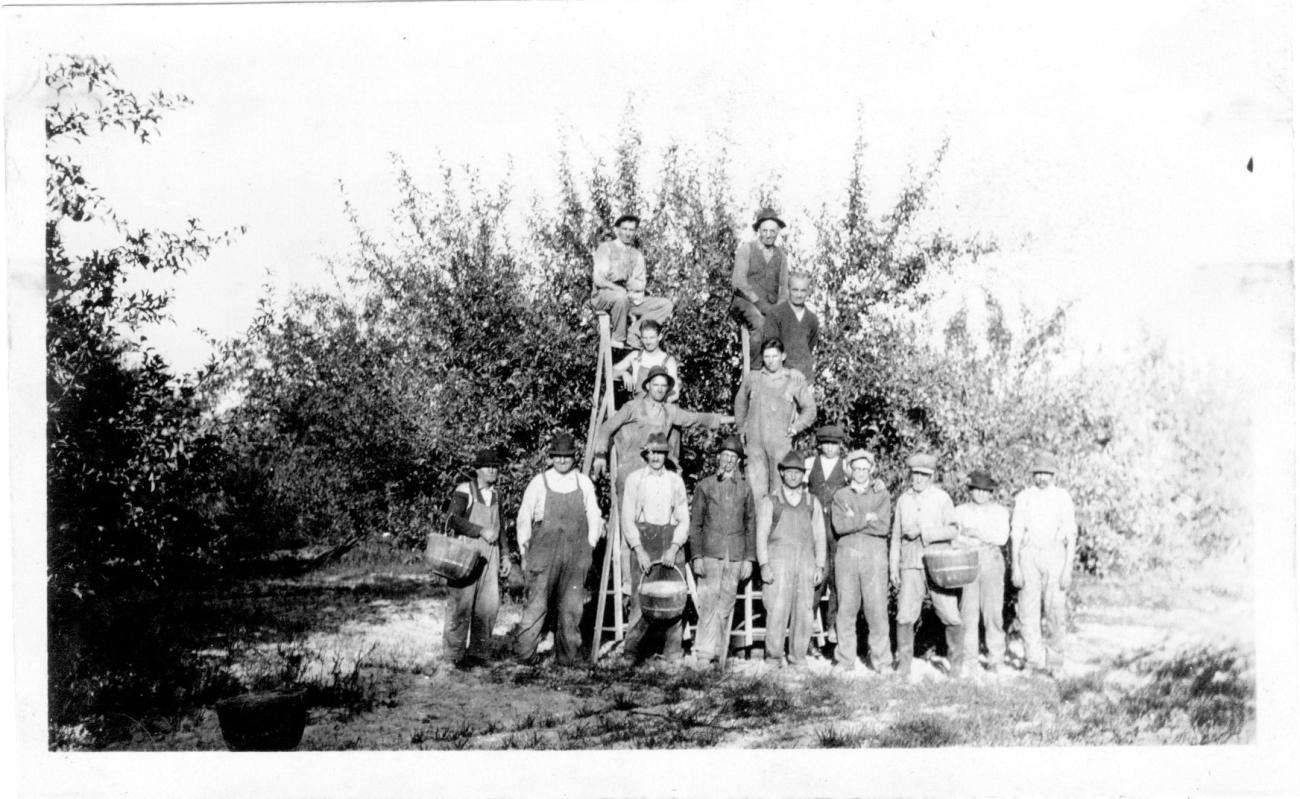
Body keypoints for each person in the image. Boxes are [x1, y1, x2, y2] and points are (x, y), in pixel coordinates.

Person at [513, 433, 603, 666]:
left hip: (575, 553)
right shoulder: (539, 482)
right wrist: (524, 551)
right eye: (558, 456)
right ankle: (525, 655)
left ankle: (567, 657)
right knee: (537, 603)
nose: (562, 461)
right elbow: (524, 518)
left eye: (567, 456)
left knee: (571, 607)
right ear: (551, 457)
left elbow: (594, 516)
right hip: (544, 552)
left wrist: (590, 546)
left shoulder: (583, 482)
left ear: (574, 457)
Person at [890, 453, 965, 679]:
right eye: (916, 474)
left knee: (950, 614)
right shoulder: (904, 500)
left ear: (932, 476)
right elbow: (895, 537)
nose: (919, 479)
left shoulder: (942, 498)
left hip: (938, 564)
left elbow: (953, 530)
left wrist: (925, 533)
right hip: (910, 565)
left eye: (924, 475)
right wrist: (894, 567)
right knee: (905, 615)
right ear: (910, 475)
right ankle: (903, 667)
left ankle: (957, 668)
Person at [619, 433, 691, 665]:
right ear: (645, 454)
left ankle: (672, 650)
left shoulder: (675, 481)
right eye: (652, 452)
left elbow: (683, 519)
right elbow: (627, 518)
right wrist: (638, 549)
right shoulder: (635, 479)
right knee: (641, 597)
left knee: (674, 594)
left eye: (661, 452)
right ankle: (632, 651)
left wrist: (674, 547)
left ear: (665, 455)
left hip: (669, 540)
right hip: (644, 541)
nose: (656, 457)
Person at [687, 434, 756, 667]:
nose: (728, 461)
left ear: (738, 462)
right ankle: (705, 653)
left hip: (735, 556)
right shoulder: (705, 486)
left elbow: (750, 525)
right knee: (708, 603)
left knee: (726, 603)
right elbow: (695, 525)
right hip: (710, 554)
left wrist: (749, 558)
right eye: (724, 456)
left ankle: (721, 653)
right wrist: (696, 556)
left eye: (733, 457)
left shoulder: (746, 490)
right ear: (718, 458)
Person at [442, 447, 513, 669]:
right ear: (477, 470)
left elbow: (500, 527)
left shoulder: (497, 495)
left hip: (490, 556)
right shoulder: (465, 490)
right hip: (466, 553)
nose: (492, 471)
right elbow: (452, 520)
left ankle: (479, 654)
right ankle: (454, 656)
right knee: (461, 604)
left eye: (495, 467)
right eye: (487, 467)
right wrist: (480, 530)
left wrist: (506, 555)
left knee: (488, 605)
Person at [755, 453, 827, 669]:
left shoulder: (811, 501)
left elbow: (820, 536)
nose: (793, 476)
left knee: (804, 611)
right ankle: (773, 657)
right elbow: (761, 535)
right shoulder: (771, 501)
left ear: (802, 475)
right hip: (778, 560)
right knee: (777, 609)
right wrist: (764, 564)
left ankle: (798, 657)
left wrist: (820, 565)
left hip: (805, 561)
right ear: (782, 473)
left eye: (798, 472)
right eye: (789, 472)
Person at [1010, 453, 1078, 676]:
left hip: (1054, 555)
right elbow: (1016, 533)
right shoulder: (1024, 497)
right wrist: (1016, 567)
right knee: (1028, 612)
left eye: (1046, 473)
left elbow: (1071, 535)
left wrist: (1067, 569)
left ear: (1054, 474)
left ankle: (1055, 663)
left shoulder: (1062, 497)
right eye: (1038, 473)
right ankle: (1033, 661)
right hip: (1029, 555)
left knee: (1055, 611)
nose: (1042, 478)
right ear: (1033, 474)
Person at [829, 450, 892, 673]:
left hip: (874, 555)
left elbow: (883, 526)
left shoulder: (881, 495)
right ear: (849, 470)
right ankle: (845, 659)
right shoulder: (841, 496)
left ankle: (882, 660)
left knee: (876, 609)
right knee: (846, 608)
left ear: (871, 470)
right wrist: (866, 518)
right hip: (847, 556)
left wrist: (853, 518)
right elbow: (839, 526)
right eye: (857, 469)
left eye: (865, 469)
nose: (861, 473)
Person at [733, 338, 816, 504]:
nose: (771, 361)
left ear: (783, 356)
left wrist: (796, 427)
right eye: (767, 356)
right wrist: (741, 429)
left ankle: (778, 529)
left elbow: (810, 409)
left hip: (780, 445)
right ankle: (757, 529)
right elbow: (740, 402)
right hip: (755, 445)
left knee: (779, 492)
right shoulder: (753, 378)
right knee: (755, 493)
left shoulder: (793, 379)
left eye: (775, 356)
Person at [955, 469, 1011, 674]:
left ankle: (996, 658)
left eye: (985, 491)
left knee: (993, 611)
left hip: (991, 560)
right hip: (968, 560)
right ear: (970, 490)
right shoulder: (960, 511)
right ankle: (970, 659)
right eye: (976, 490)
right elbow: (955, 537)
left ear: (991, 493)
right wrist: (967, 538)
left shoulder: (999, 512)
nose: (980, 494)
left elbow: (1001, 537)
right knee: (968, 612)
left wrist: (977, 533)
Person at [590, 213, 675, 350]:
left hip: (629, 298)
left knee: (666, 305)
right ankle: (618, 338)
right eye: (624, 229)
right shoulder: (606, 248)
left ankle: (634, 332)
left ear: (635, 231)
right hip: (604, 296)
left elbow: (640, 284)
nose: (628, 233)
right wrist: (616, 287)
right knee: (620, 297)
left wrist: (627, 280)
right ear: (617, 230)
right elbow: (599, 280)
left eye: (631, 230)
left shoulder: (637, 255)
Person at [804, 424, 849, 648]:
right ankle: (809, 620)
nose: (830, 448)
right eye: (826, 444)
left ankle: (833, 625)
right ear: (819, 445)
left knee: (837, 577)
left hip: (837, 528)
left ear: (840, 446)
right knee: (816, 574)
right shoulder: (810, 464)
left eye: (834, 444)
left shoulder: (847, 466)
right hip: (815, 527)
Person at [731, 207, 791, 367]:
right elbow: (738, 282)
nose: (768, 234)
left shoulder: (782, 257)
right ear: (758, 230)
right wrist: (759, 303)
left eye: (773, 231)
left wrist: (777, 310)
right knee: (759, 323)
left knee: (790, 327)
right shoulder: (747, 249)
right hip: (745, 302)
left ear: (778, 231)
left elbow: (784, 290)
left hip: (770, 306)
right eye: (764, 230)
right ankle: (756, 370)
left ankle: (780, 374)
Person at [761, 272, 820, 381]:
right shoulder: (775, 314)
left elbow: (809, 346)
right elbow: (770, 349)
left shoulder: (812, 319)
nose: (799, 295)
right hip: (781, 378)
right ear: (788, 289)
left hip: (805, 378)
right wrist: (787, 371)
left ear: (808, 291)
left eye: (803, 291)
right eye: (795, 290)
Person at [610, 319, 680, 404]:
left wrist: (660, 407)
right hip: (637, 409)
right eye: (645, 338)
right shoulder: (636, 356)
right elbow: (610, 373)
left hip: (659, 411)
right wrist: (623, 373)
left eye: (652, 338)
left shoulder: (668, 360)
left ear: (660, 337)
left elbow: (674, 393)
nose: (648, 342)